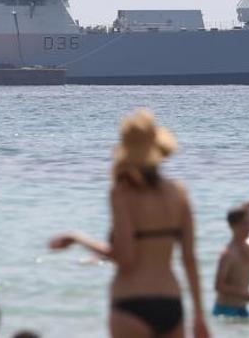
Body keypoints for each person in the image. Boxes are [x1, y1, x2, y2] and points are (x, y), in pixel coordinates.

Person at [49, 109, 210, 338]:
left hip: (130, 303)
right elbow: (189, 259)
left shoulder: (122, 194)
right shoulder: (179, 193)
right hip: (171, 302)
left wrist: (77, 238)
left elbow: (125, 260)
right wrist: (199, 316)